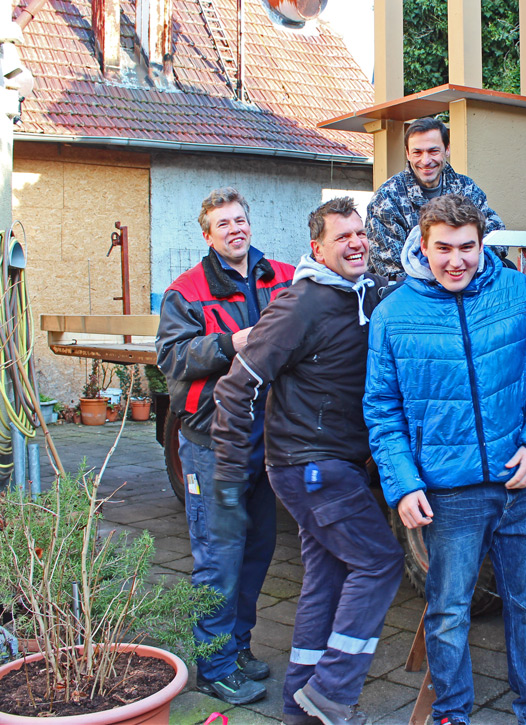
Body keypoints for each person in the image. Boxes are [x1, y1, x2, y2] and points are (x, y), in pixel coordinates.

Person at [364, 194, 526, 725]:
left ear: (482, 243)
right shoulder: (392, 315)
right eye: (444, 249)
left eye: (467, 247)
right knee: (449, 613)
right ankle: (452, 713)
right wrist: (403, 483)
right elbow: (382, 409)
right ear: (422, 247)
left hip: (519, 482)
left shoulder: (519, 293)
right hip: (448, 494)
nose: (456, 260)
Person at [212, 197, 404, 725]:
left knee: (327, 577)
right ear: (317, 249)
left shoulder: (364, 293)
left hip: (334, 462)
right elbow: (236, 388)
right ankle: (333, 691)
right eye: (342, 237)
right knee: (379, 562)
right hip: (311, 466)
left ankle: (301, 707)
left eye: (360, 233)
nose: (356, 243)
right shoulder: (300, 304)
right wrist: (228, 476)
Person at [156, 187, 295, 705]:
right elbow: (171, 357)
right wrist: (228, 343)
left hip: (266, 437)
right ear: (207, 235)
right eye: (223, 224)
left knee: (257, 551)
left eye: (240, 220)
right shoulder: (186, 291)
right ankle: (213, 667)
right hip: (213, 441)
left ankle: (237, 648)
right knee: (219, 557)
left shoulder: (281, 277)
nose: (235, 229)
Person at [366, 116, 505, 278]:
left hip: (469, 281)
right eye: (417, 152)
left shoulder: (466, 188)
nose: (425, 161)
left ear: (447, 149)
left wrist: (465, 266)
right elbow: (390, 265)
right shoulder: (387, 198)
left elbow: (496, 237)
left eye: (433, 151)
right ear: (408, 154)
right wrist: (445, 273)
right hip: (412, 287)